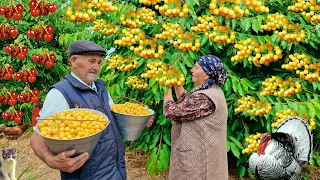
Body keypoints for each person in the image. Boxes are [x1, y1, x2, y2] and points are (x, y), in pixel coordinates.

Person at [30, 40, 154, 180]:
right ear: (74, 60)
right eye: (92, 61)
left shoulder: (100, 88)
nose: (96, 67)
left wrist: (139, 120)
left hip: (115, 169)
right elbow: (37, 137)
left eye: (99, 62)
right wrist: (50, 160)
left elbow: (112, 121)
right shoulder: (61, 92)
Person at [163, 55, 228, 180]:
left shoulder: (205, 98)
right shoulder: (210, 91)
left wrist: (167, 88)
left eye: (196, 67)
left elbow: (171, 112)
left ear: (207, 75)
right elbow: (188, 103)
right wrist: (176, 81)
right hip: (204, 155)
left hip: (200, 161)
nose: (192, 70)